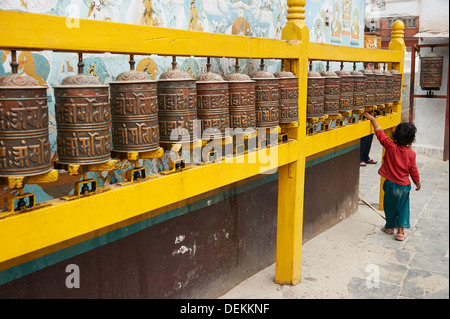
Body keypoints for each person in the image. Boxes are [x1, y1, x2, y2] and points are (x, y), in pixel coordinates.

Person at [364, 112, 421, 241]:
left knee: (389, 207)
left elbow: (380, 134)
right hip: (404, 187)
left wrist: (373, 119)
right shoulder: (411, 154)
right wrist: (417, 182)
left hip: (390, 185)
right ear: (411, 140)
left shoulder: (390, 147)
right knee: (403, 208)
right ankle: (400, 232)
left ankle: (389, 227)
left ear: (395, 136)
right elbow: (413, 170)